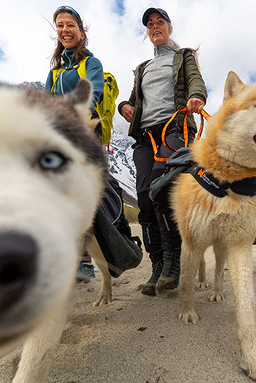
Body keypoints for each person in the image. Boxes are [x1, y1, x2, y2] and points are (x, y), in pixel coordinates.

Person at [118, 8, 207, 295]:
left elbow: (195, 80)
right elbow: (133, 99)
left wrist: (196, 96)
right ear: (147, 32)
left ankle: (173, 261)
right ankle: (157, 266)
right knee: (145, 196)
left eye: (160, 22)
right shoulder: (143, 68)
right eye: (150, 24)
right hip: (145, 135)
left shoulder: (183, 57)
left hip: (175, 127)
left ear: (169, 28)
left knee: (162, 188)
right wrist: (124, 107)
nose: (155, 27)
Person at [45, 5, 119, 283]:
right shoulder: (54, 73)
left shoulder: (91, 63)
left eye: (70, 25)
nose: (65, 30)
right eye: (60, 26)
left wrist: (81, 113)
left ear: (80, 31)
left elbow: (95, 90)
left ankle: (87, 260)